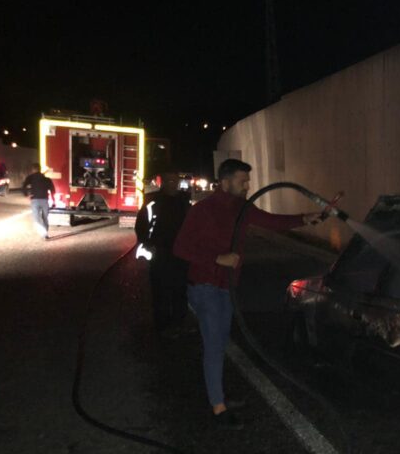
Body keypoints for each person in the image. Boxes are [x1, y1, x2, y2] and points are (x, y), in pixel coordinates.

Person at [173, 159, 322, 429]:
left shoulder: (242, 209)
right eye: (242, 181)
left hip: (225, 287)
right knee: (214, 346)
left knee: (220, 343)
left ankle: (218, 395)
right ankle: (218, 408)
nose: (247, 186)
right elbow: (181, 247)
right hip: (205, 287)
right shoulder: (203, 210)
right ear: (225, 182)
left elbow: (270, 221)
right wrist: (217, 258)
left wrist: (303, 219)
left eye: (247, 181)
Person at [135, 172, 191, 335]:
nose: (172, 183)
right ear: (163, 182)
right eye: (169, 180)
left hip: (181, 254)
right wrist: (147, 244)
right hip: (160, 254)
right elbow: (141, 225)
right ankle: (162, 326)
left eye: (175, 180)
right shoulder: (152, 201)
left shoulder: (184, 201)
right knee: (161, 291)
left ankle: (179, 322)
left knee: (180, 290)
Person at [22, 163, 55, 239]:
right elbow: (52, 190)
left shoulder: (30, 177)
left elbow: (24, 186)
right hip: (45, 200)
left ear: (33, 169)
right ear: (39, 169)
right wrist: (53, 201)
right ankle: (45, 233)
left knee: (37, 218)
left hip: (35, 200)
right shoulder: (46, 179)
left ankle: (44, 233)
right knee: (45, 217)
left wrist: (26, 194)